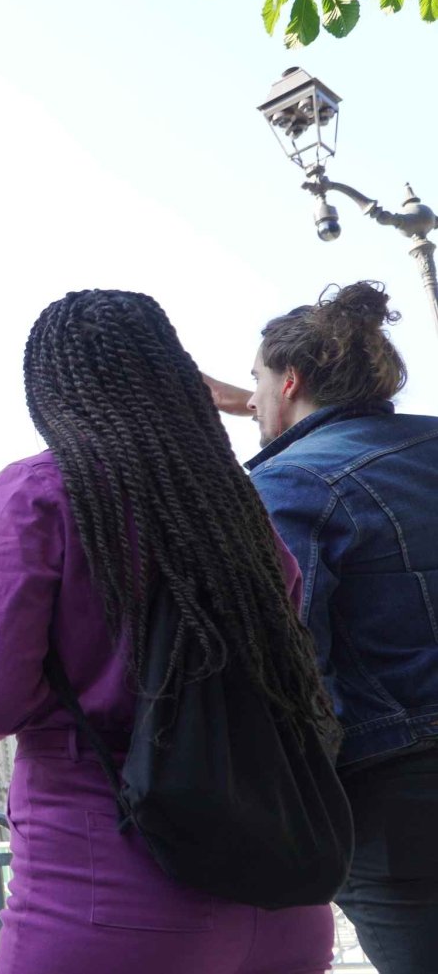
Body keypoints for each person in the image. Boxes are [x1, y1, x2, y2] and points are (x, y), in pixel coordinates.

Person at [0, 289, 338, 974]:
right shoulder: (241, 511)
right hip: (284, 899)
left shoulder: (41, 490)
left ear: (54, 391)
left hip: (109, 888)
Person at [204, 281, 438, 974]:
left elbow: (288, 674)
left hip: (404, 813)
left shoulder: (291, 486)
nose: (251, 404)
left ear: (292, 381)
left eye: (257, 384)